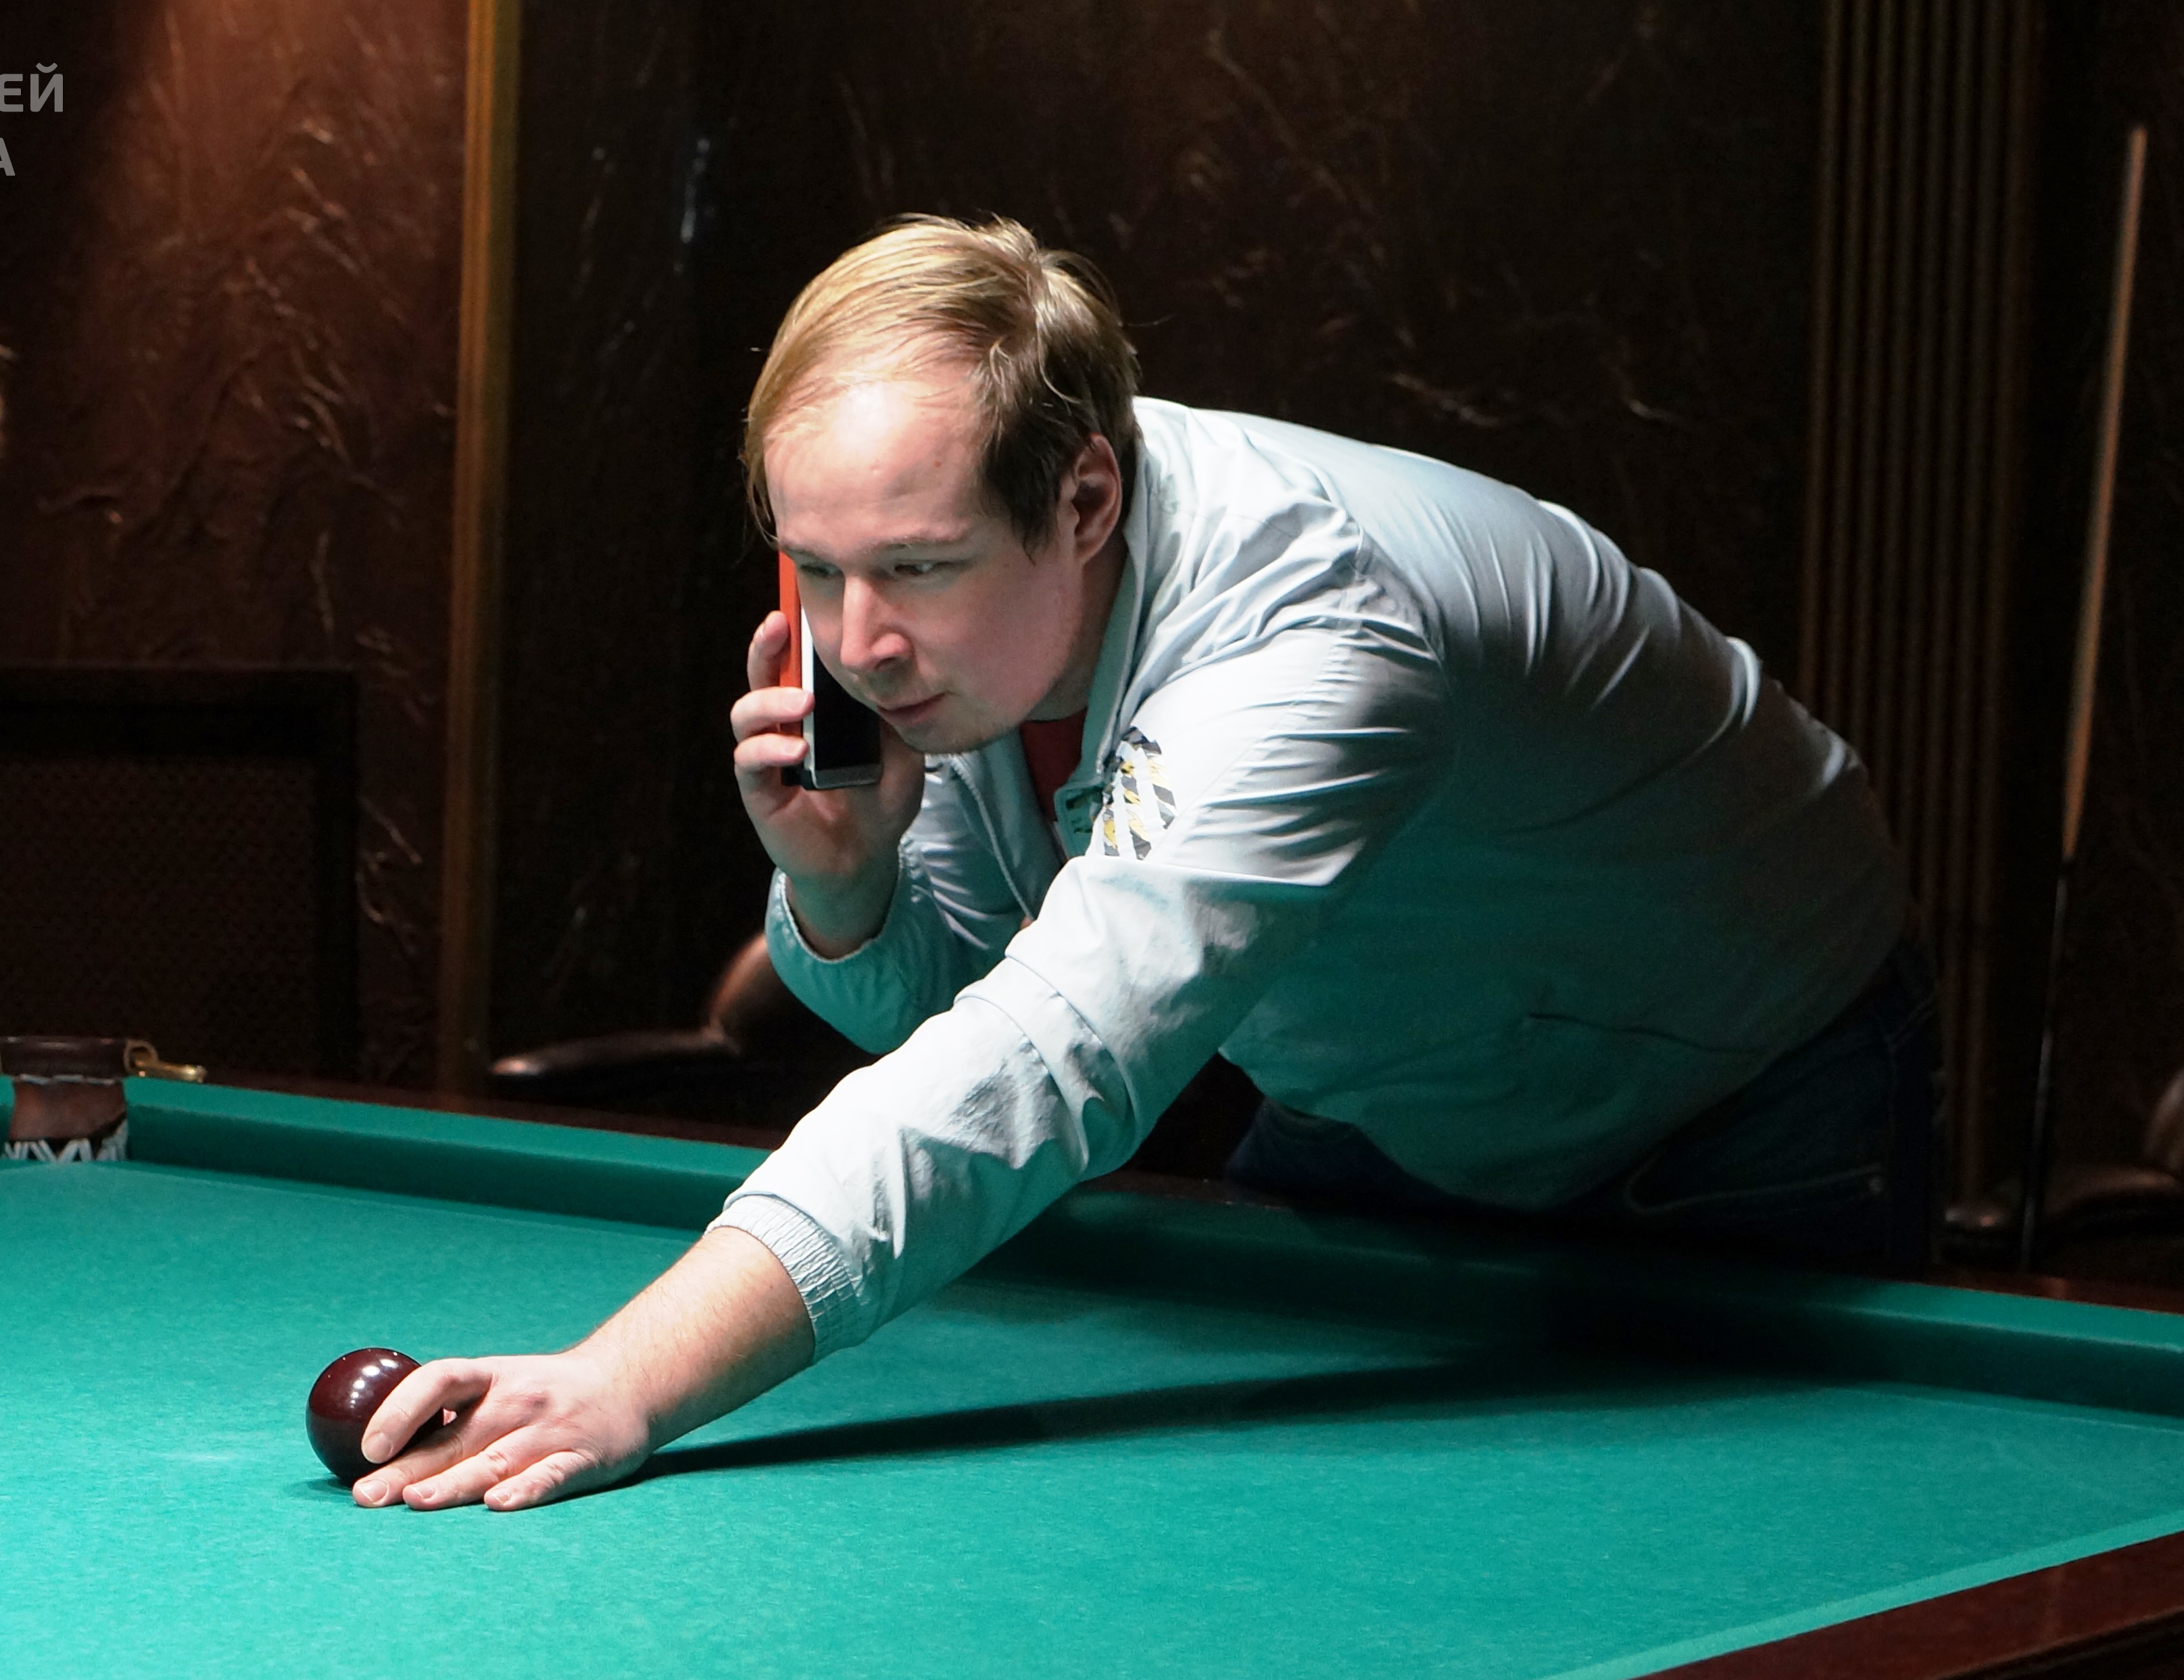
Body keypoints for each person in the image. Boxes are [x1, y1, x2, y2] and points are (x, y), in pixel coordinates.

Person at [349, 217, 1931, 1513]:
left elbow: (1043, 1058)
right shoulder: (979, 612)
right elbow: (954, 1005)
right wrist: (846, 885)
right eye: (814, 567)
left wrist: (628, 1375)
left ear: (1085, 496)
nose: (856, 643)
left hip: (1733, 1093)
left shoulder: (1313, 637)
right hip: (1378, 1085)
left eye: (913, 567)